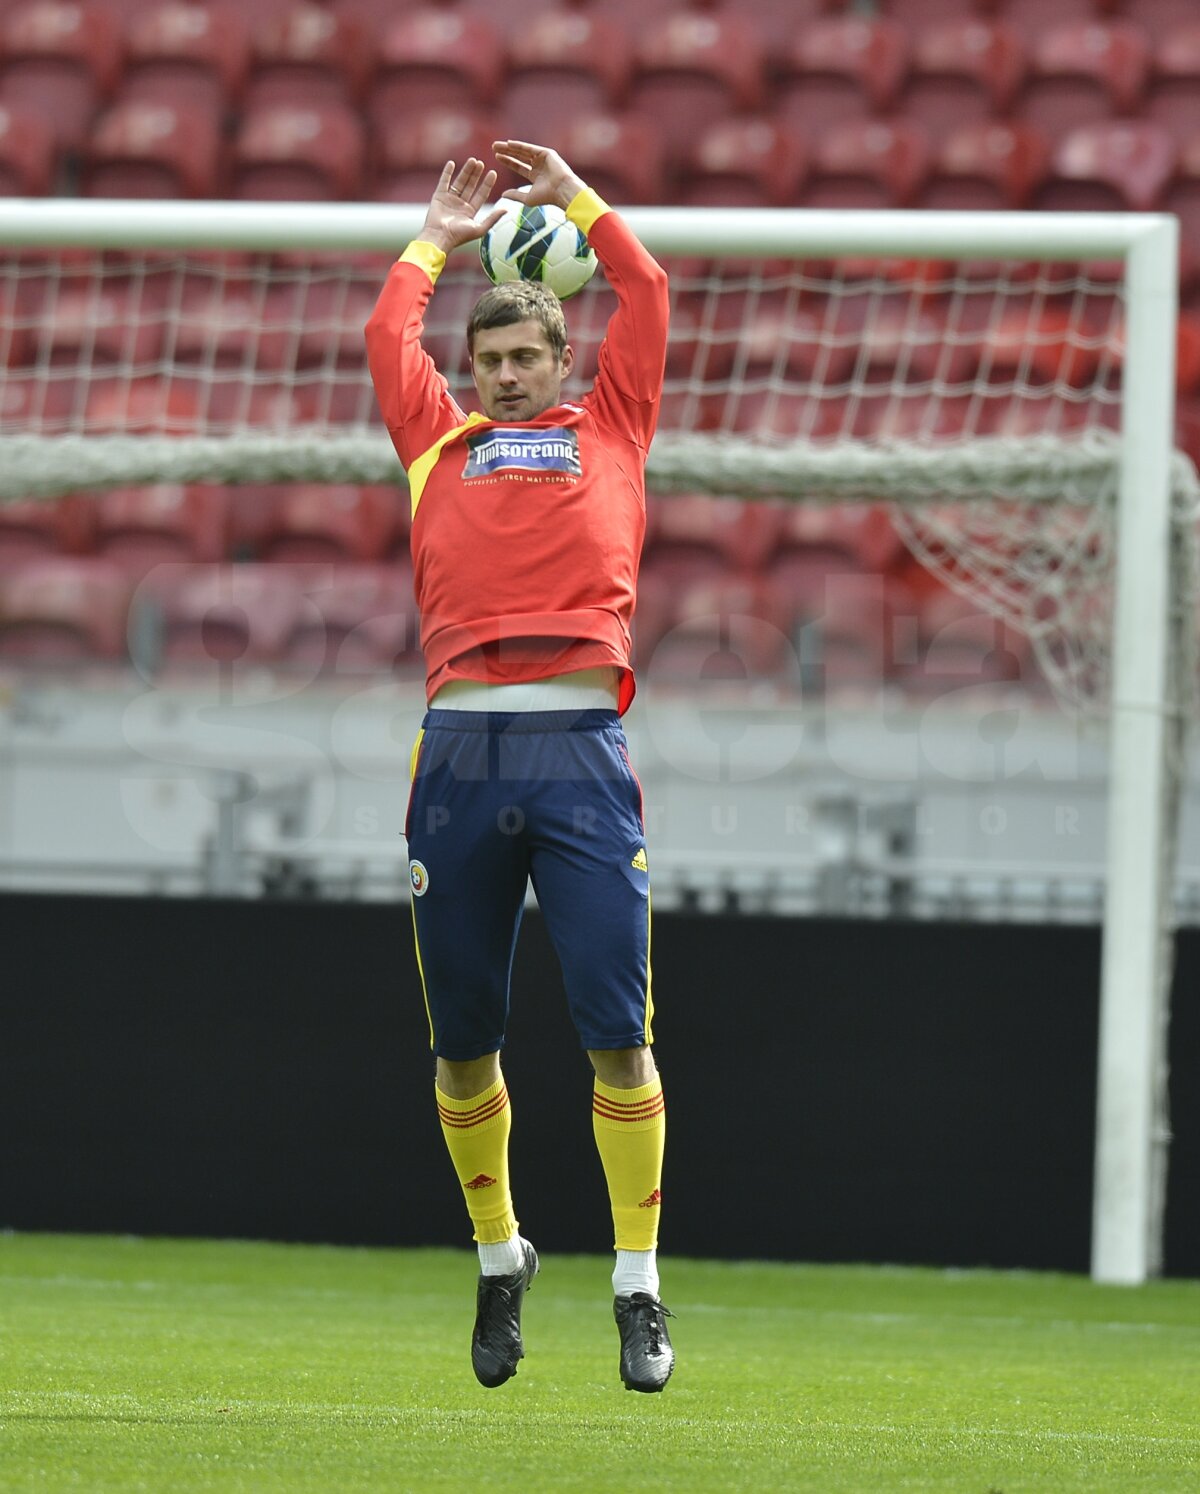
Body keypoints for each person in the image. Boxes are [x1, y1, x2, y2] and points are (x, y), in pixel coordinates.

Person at [364, 141, 673, 1393]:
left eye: (521, 358)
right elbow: (391, 331)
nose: (499, 375)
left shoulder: (614, 426)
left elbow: (645, 291)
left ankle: (638, 1289)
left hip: (581, 755)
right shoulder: (436, 441)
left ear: (562, 364)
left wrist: (583, 204)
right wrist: (435, 237)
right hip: (461, 758)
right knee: (462, 1044)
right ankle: (501, 1258)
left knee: (617, 1036)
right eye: (483, 360)